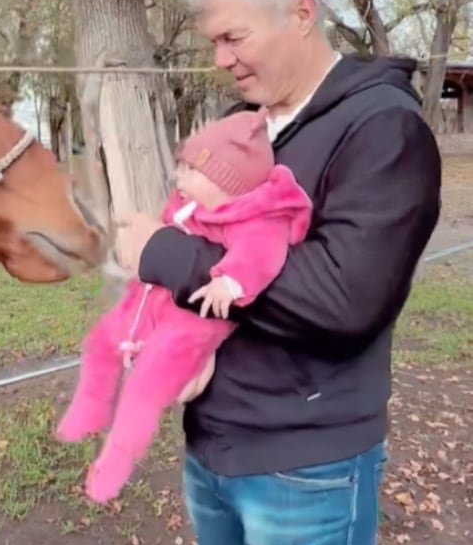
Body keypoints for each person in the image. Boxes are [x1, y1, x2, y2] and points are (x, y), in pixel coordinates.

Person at [113, 0, 442, 545]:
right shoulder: (244, 127)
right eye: (212, 42)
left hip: (306, 467)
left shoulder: (381, 128)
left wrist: (166, 257)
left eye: (234, 37)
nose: (220, 59)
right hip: (212, 445)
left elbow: (344, 300)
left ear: (300, 13)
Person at [56, 109, 312, 503]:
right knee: (101, 339)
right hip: (154, 297)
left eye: (191, 171)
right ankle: (90, 407)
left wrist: (231, 281)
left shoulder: (256, 217)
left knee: (147, 383)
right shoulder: (189, 204)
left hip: (194, 320)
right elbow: (163, 236)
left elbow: (263, 253)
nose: (179, 179)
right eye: (181, 168)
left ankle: (117, 459)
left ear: (228, 182)